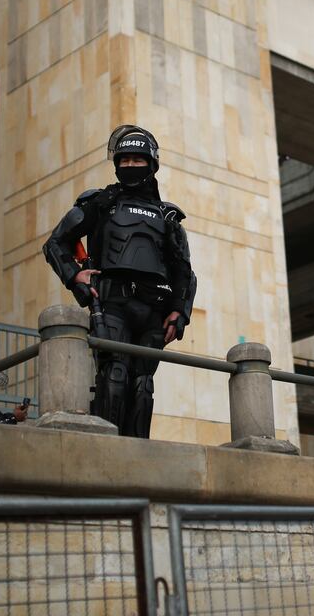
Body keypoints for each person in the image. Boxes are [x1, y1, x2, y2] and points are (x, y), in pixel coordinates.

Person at [43, 125, 197, 438]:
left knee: (143, 387)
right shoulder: (100, 203)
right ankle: (105, 454)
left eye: (137, 161)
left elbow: (185, 272)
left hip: (154, 313)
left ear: (151, 164)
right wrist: (75, 275)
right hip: (112, 306)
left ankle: (137, 461)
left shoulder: (168, 217)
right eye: (123, 161)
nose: (129, 166)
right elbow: (56, 243)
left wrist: (179, 311)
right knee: (113, 378)